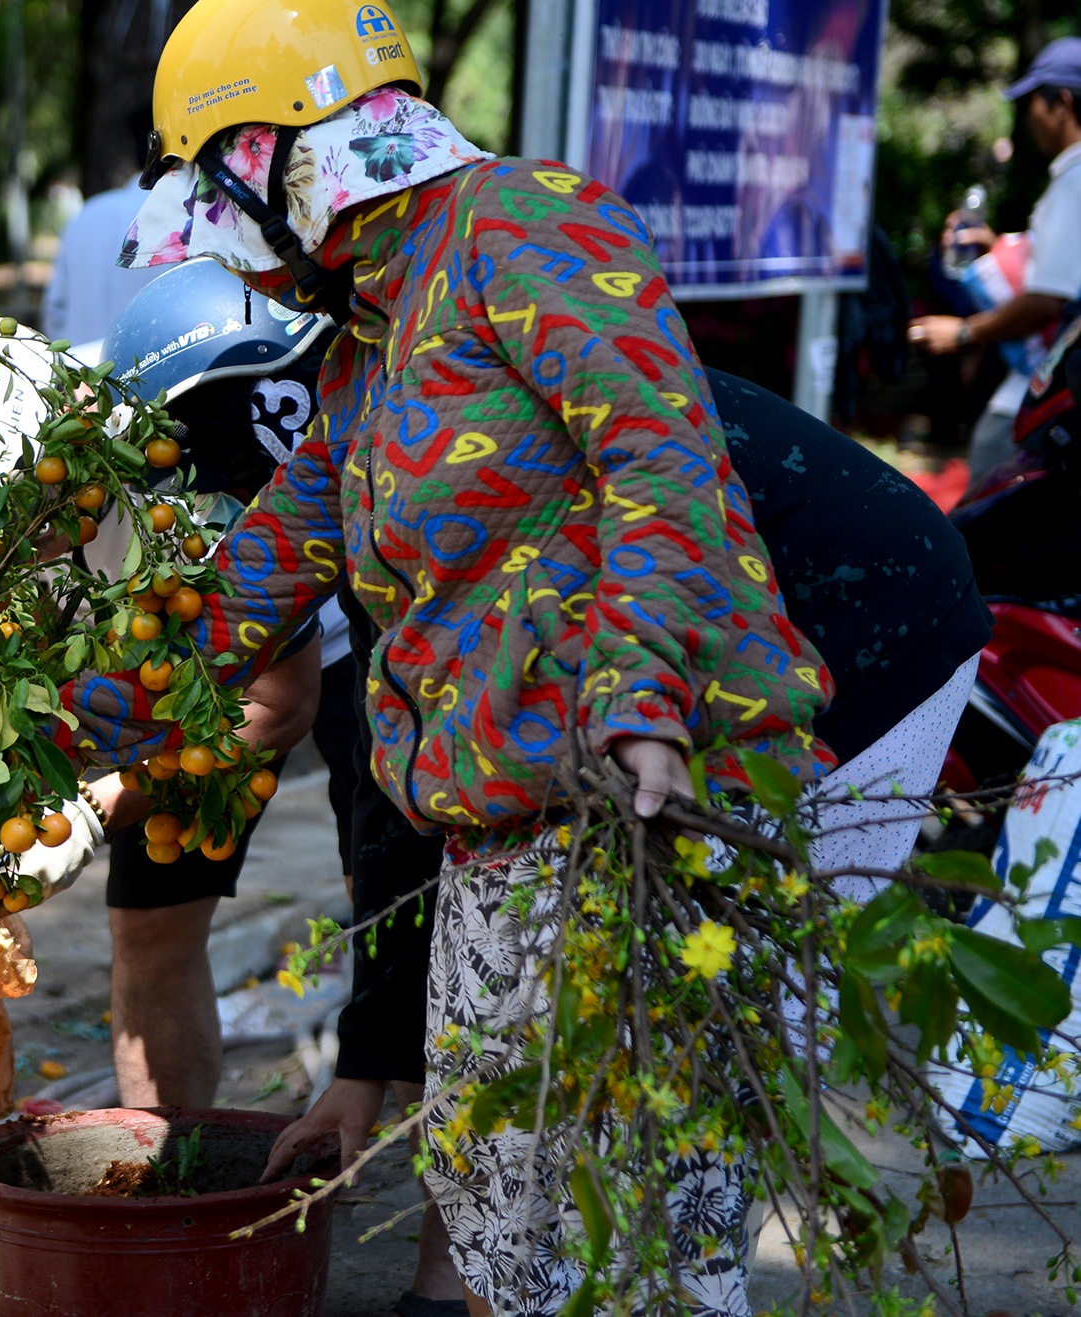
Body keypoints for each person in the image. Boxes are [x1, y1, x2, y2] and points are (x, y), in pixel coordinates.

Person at [62, 1, 986, 1311]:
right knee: (502, 1212)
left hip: (656, 800)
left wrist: (642, 703)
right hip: (505, 828)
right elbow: (244, 596)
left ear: (275, 153)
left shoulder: (527, 225)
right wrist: (43, 734)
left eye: (217, 184)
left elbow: (660, 453)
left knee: (653, 1235)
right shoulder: (365, 351)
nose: (231, 234)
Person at [85, 259, 360, 1107]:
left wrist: (114, 796)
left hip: (345, 637)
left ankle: (438, 1180)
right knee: (150, 923)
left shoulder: (336, 419)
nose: (217, 487)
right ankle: (165, 1161)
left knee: (399, 896)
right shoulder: (115, 459)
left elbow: (281, 704)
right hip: (195, 637)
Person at [910, 37, 1081, 479]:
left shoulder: (1074, 183)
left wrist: (964, 333)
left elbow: (1049, 299)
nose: (1028, 119)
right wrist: (999, 247)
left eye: (1031, 104)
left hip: (1044, 393)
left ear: (1061, 103)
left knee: (990, 509)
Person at [40, 113, 170, 361]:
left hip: (81, 381)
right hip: (157, 385)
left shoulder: (86, 215)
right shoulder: (189, 223)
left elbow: (54, 312)